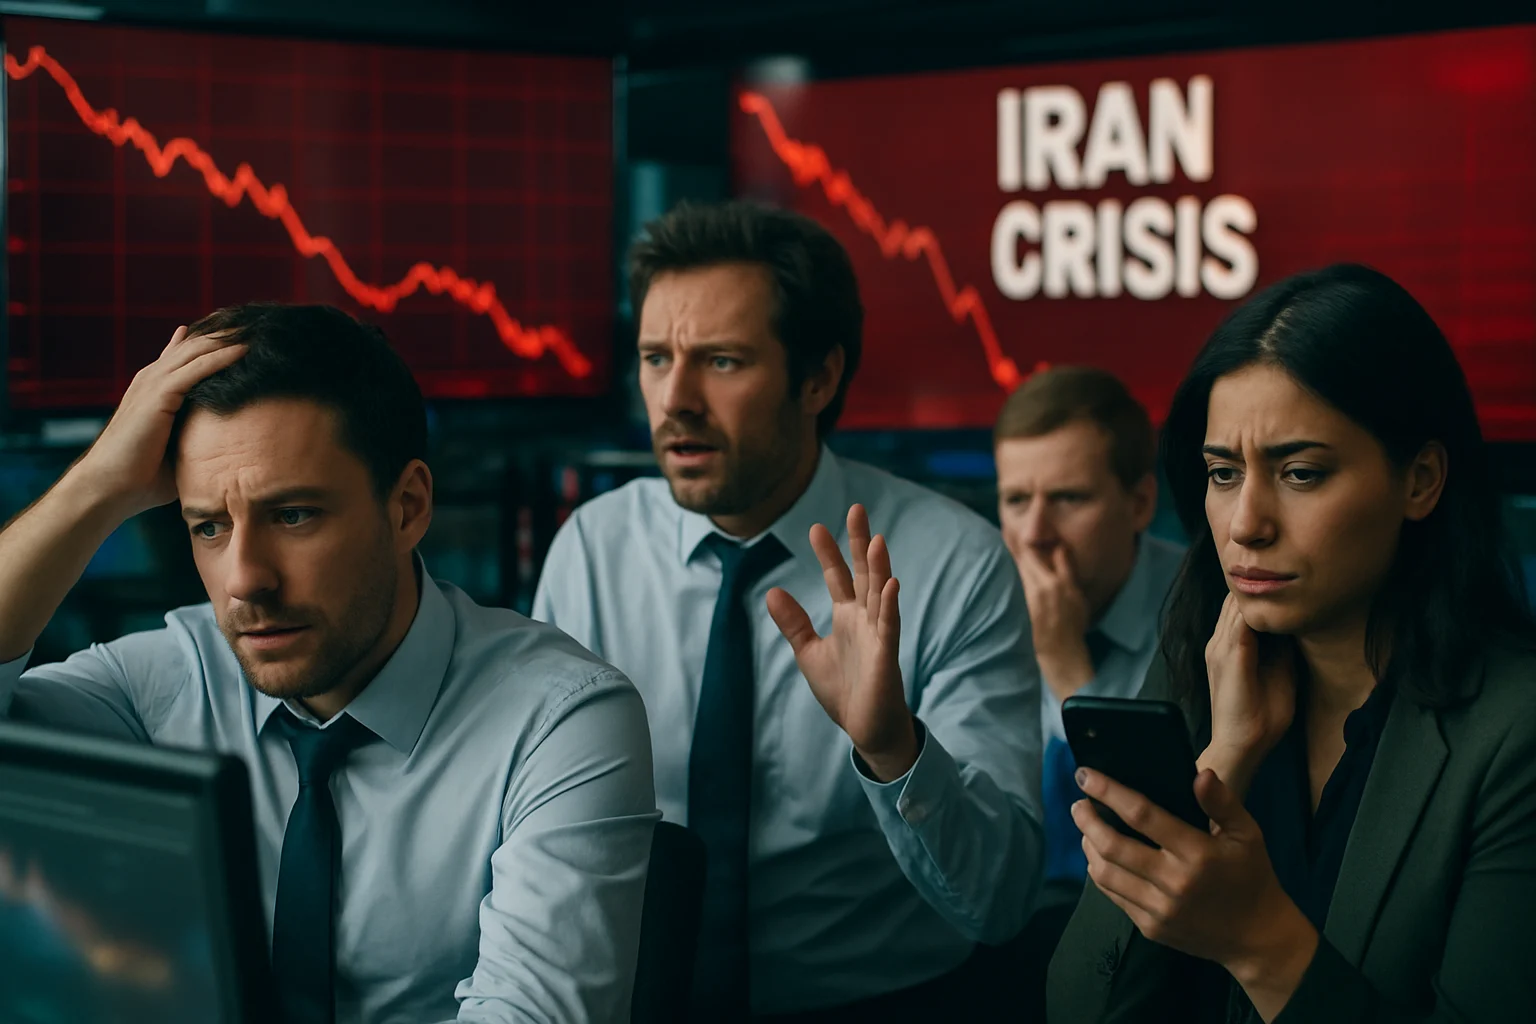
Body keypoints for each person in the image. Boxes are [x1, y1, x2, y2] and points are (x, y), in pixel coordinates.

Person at [0, 304, 659, 1024]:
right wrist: (98, 484)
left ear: (407, 507)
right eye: (209, 527)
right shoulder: (164, 681)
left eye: (293, 516)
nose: (246, 578)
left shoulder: (560, 717)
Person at [533, 200, 1044, 1021]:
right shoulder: (593, 549)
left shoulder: (953, 563)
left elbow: (1004, 899)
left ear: (818, 378)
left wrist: (891, 747)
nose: (676, 400)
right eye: (656, 358)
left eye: (723, 362)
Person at [1047, 264, 1536, 1022]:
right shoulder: (1201, 672)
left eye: (1301, 472)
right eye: (1221, 472)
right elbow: (1081, 1007)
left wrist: (1260, 942)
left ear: (1422, 480)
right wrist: (1223, 764)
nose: (1246, 524)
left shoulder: (1513, 731)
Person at [993, 366, 1183, 898]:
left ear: (1140, 504)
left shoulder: (1205, 613)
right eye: (1015, 500)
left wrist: (1065, 667)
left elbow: (1164, 836)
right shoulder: (975, 608)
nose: (1033, 535)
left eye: (1069, 499)